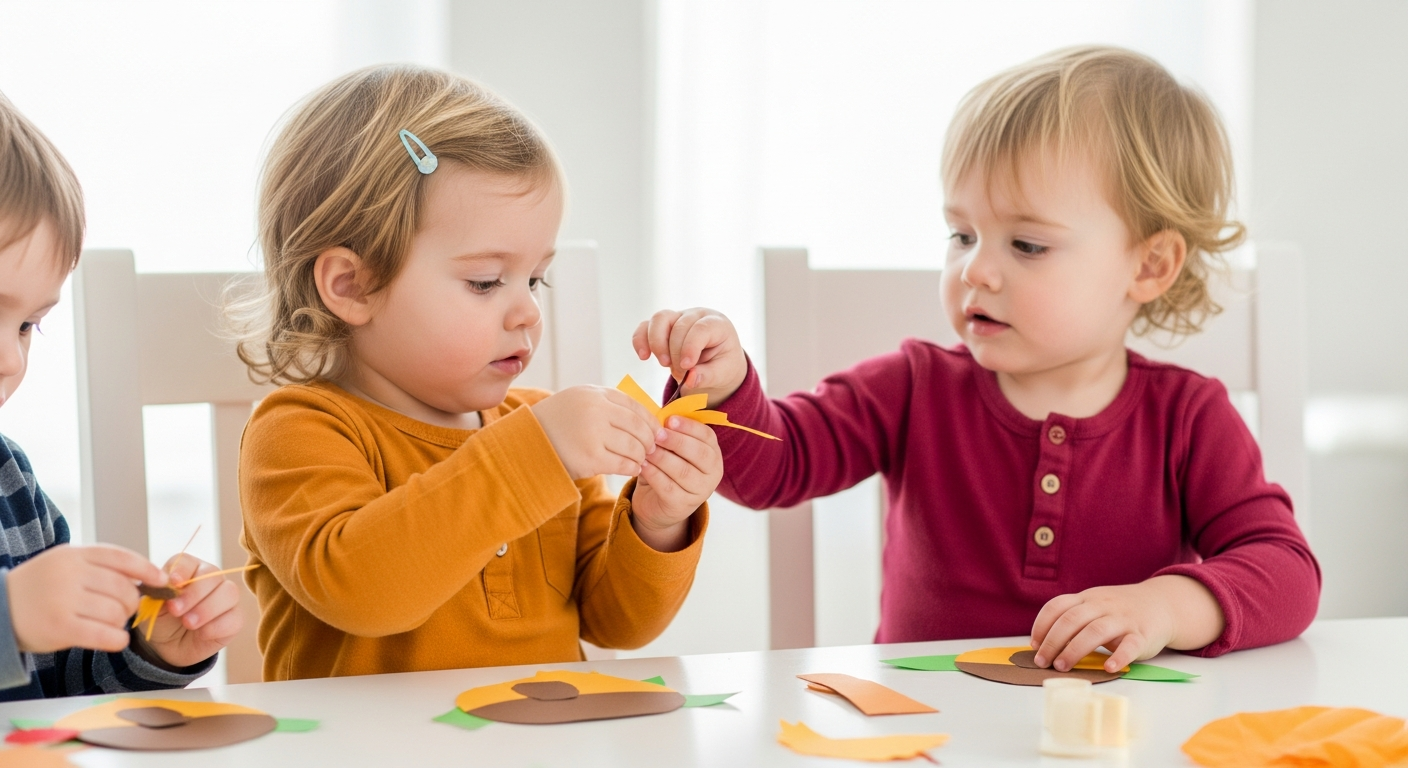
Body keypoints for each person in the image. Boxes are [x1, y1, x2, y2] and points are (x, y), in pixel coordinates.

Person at [633, 46, 1320, 673]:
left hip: (1118, 737)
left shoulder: (1187, 416)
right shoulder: (912, 388)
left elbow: (1287, 573)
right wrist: (726, 386)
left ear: (1150, 264)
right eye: (961, 234)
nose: (976, 271)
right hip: (923, 728)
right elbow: (774, 467)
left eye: (1026, 245)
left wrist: (1163, 608)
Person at [233, 65, 719, 681]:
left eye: (536, 278)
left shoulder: (537, 427)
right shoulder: (299, 431)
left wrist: (657, 521)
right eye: (485, 282)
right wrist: (537, 452)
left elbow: (614, 623)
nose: (528, 310)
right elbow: (363, 592)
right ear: (352, 286)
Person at [0, 92, 243, 700]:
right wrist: (9, 618)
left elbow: (64, 690)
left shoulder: (12, 484)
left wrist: (150, 647)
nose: (11, 359)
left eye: (28, 326)